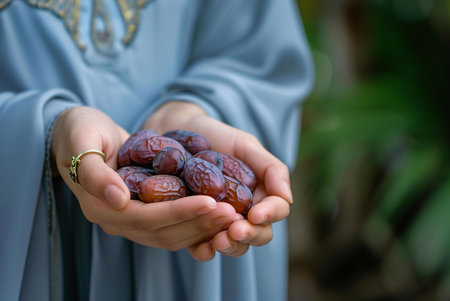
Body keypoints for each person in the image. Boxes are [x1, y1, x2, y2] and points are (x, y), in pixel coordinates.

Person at [0, 0, 314, 300]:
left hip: (198, 250)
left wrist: (195, 110)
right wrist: (49, 130)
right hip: (47, 239)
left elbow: (260, 56)